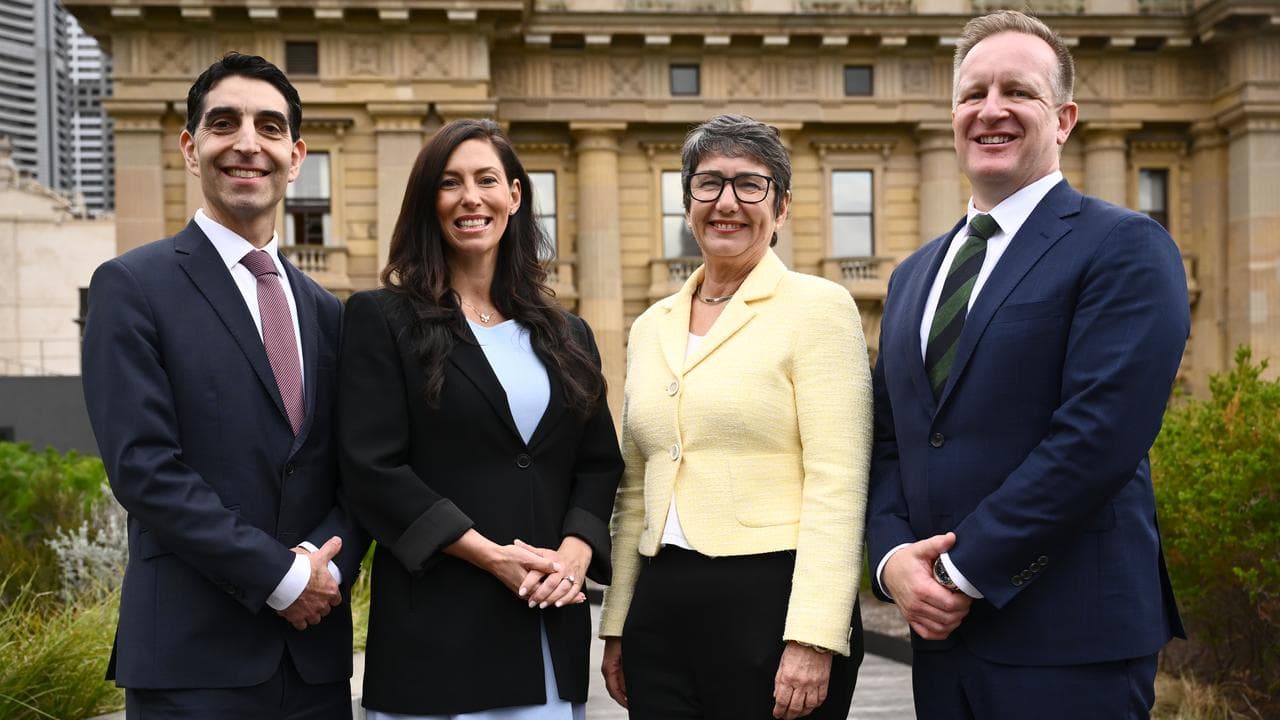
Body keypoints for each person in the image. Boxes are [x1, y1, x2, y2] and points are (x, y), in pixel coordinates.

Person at [866, 10, 1189, 719]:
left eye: (1017, 90)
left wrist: (958, 569)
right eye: (972, 93)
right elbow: (891, 440)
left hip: (1071, 642)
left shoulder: (1125, 247)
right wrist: (893, 563)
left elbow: (1096, 440)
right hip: (942, 647)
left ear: (1064, 118)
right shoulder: (914, 276)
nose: (991, 110)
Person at [81, 53, 368, 718]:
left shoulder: (327, 312)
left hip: (316, 665)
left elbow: (355, 472)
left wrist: (322, 571)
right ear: (191, 146)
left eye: (269, 128)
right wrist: (282, 576)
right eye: (224, 123)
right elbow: (145, 470)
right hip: (193, 665)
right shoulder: (132, 288)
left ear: (296, 157)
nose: (247, 143)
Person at [337, 118, 623, 719]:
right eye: (450, 183)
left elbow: (597, 464)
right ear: (428, 203)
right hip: (439, 636)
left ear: (514, 196)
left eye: (487, 180)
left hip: (546, 627)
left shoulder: (568, 334)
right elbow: (372, 468)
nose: (471, 197)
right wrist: (489, 554)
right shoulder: (381, 318)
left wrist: (574, 555)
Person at [598, 113, 872, 720]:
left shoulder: (818, 308)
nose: (727, 202)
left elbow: (839, 482)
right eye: (708, 183)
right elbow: (637, 487)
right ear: (687, 201)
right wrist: (618, 622)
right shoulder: (651, 326)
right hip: (661, 608)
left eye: (750, 184)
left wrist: (814, 635)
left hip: (774, 604)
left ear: (782, 207)